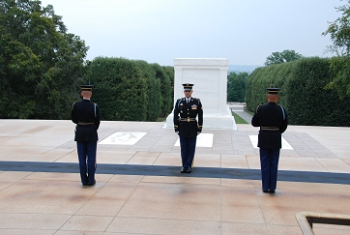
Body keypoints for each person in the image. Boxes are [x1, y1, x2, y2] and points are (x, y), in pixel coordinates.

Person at [251, 87, 288, 193]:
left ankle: (265, 187)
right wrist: (277, 131)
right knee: (274, 163)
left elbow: (254, 123)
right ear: (277, 97)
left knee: (265, 163)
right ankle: (272, 188)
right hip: (276, 137)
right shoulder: (281, 110)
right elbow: (284, 125)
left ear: (267, 97)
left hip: (264, 137)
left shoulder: (260, 108)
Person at [71, 84, 100, 186]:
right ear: (90, 94)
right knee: (91, 158)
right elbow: (97, 121)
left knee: (82, 158)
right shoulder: (94, 107)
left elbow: (74, 119)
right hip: (91, 132)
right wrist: (92, 128)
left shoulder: (76, 105)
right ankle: (91, 180)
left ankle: (84, 180)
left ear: (81, 94)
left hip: (80, 132)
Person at [173, 83, 203, 173]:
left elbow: (200, 116)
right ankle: (184, 165)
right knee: (184, 147)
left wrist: (199, 128)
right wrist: (176, 127)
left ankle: (189, 165)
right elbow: (175, 115)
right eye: (186, 91)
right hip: (182, 127)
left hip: (193, 127)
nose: (187, 93)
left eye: (189, 91)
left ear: (192, 91)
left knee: (191, 147)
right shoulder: (179, 102)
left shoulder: (196, 102)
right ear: (184, 92)